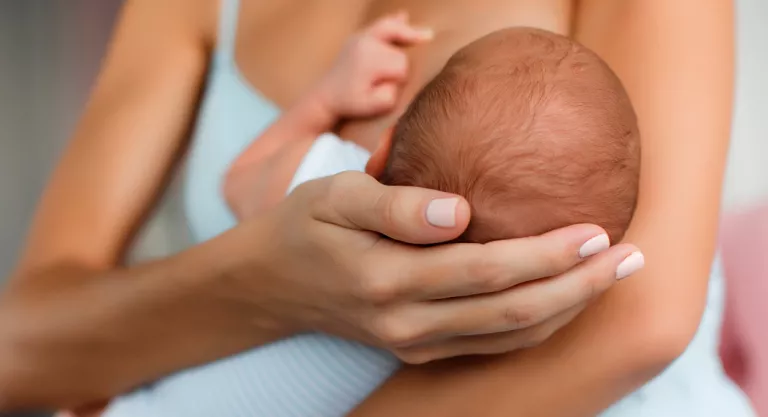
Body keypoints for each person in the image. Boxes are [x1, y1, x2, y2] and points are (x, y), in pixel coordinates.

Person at [0, 0, 747, 417]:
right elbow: (18, 350)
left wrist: (318, 110)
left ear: (385, 152)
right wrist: (266, 280)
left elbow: (640, 325)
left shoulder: (325, 176)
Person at [102, 20, 643, 417]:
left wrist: (325, 101)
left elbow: (239, 183)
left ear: (382, 149)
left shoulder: (333, 183)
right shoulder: (510, 328)